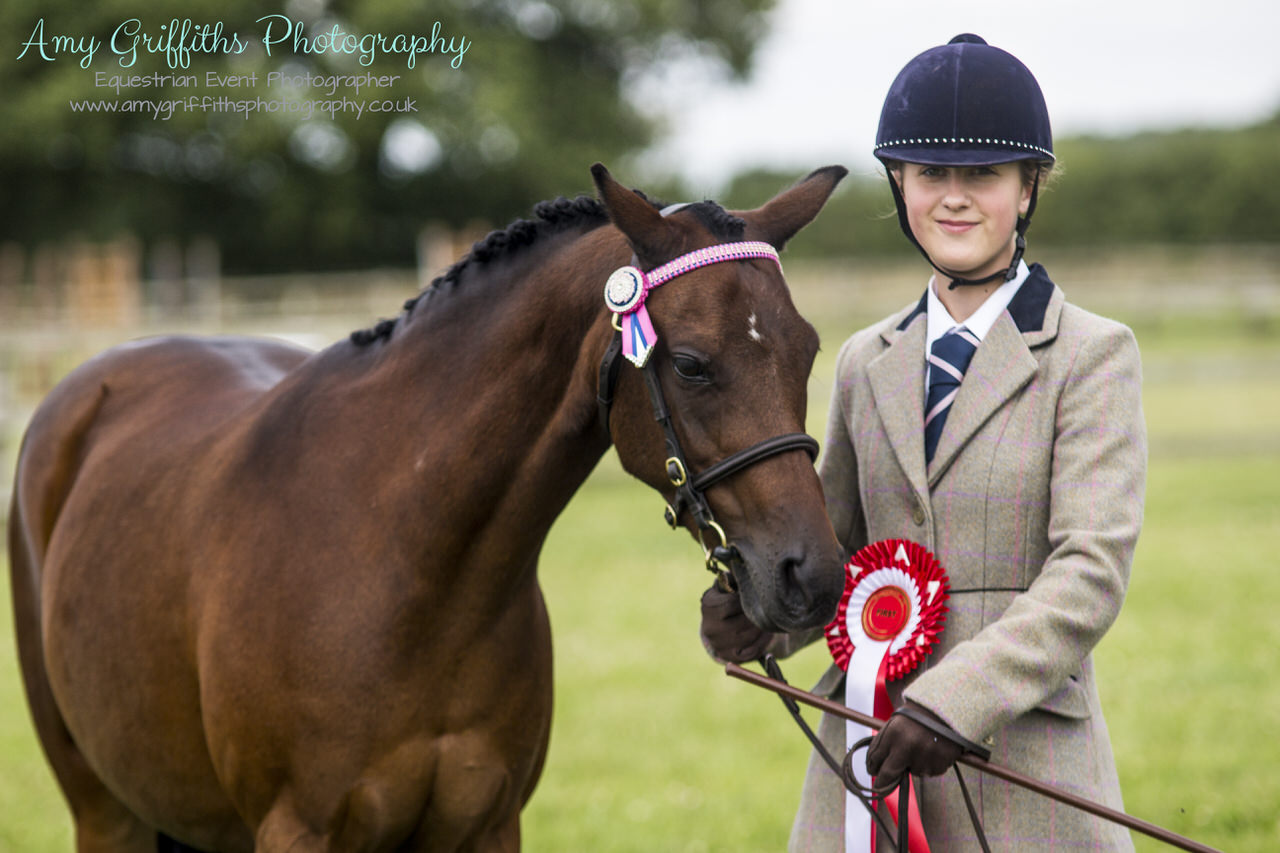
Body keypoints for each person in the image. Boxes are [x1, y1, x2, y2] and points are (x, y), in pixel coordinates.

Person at [701, 33, 1146, 852]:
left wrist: (956, 699)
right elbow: (842, 551)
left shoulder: (1092, 353)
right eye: (930, 173)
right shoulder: (866, 361)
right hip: (869, 757)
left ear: (1027, 188)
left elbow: (1090, 571)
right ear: (899, 183)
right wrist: (766, 619)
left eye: (982, 175)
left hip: (1026, 760)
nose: (954, 198)